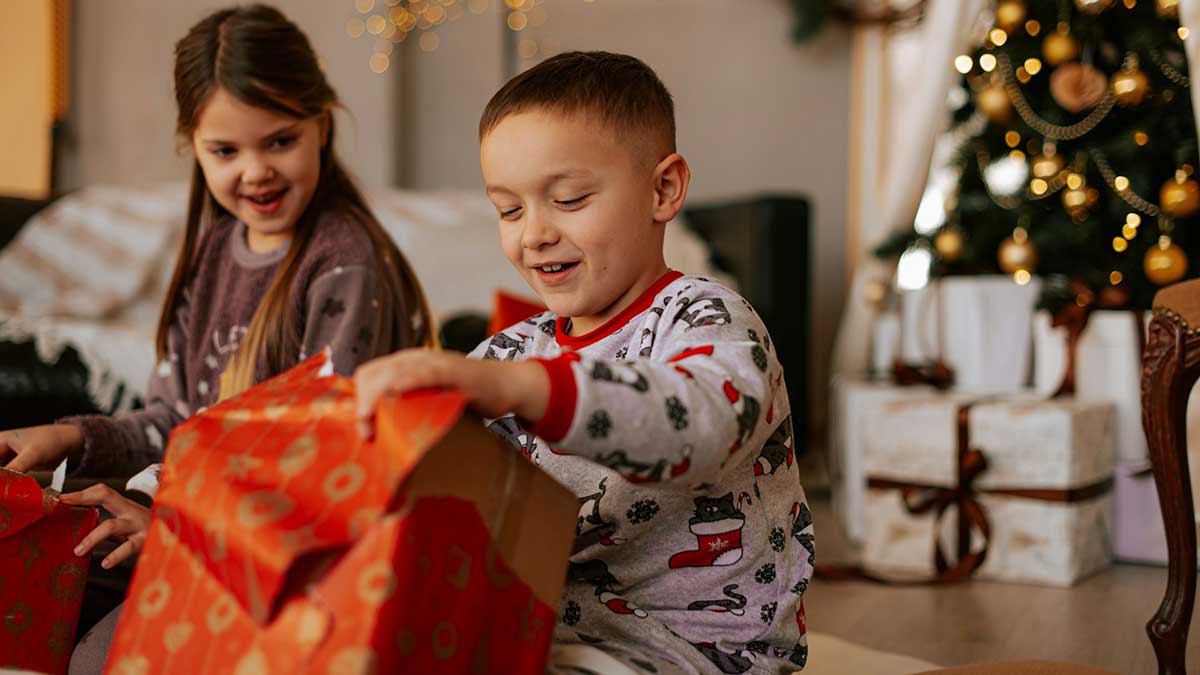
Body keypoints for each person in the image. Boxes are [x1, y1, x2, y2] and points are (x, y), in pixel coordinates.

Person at [0, 5, 435, 672]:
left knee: (95, 660)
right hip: (183, 526)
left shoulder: (345, 265)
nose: (254, 172)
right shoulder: (214, 249)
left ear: (323, 122)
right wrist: (69, 437)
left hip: (275, 556)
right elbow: (176, 416)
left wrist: (174, 531)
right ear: (193, 145)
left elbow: (330, 471)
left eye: (280, 140)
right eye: (226, 151)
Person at [355, 51, 813, 674]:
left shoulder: (707, 319)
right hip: (547, 628)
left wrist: (520, 388)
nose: (533, 233)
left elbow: (702, 425)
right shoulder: (518, 349)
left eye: (567, 199)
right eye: (509, 210)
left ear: (663, 189)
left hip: (698, 653)